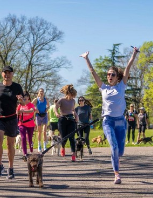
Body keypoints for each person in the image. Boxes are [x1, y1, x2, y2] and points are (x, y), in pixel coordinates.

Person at [80, 47, 139, 184]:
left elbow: (128, 68)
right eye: (108, 74)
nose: (109, 76)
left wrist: (134, 54)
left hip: (121, 122)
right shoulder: (103, 88)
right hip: (108, 122)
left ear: (117, 77)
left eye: (112, 74)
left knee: (120, 152)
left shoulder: (121, 86)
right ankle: (117, 174)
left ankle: (116, 161)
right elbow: (93, 72)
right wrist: (86, 58)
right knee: (114, 147)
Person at [0, 65, 24, 179]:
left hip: (11, 118)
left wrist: (21, 101)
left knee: (10, 144)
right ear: (2, 74)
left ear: (12, 74)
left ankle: (10, 168)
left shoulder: (17, 87)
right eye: (4, 73)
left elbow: (24, 103)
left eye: (9, 73)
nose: (7, 75)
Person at [54, 84, 78, 162]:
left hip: (71, 120)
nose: (72, 97)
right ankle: (63, 147)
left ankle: (73, 154)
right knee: (64, 137)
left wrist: (76, 116)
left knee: (71, 137)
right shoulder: (61, 100)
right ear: (68, 93)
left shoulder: (73, 101)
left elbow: (73, 110)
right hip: (62, 119)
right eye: (72, 95)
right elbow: (55, 107)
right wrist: (57, 113)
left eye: (73, 95)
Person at [17, 91, 35, 159]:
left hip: (30, 124)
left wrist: (24, 111)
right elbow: (17, 113)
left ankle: (31, 151)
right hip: (22, 123)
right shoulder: (20, 105)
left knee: (30, 139)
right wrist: (18, 112)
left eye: (25, 98)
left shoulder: (31, 104)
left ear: (28, 98)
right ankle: (25, 154)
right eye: (23, 98)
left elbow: (32, 110)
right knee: (23, 138)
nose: (24, 99)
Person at [32, 88, 50, 152]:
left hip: (44, 115)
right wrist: (35, 109)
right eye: (40, 91)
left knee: (44, 131)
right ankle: (39, 146)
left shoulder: (46, 99)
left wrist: (47, 109)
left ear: (44, 92)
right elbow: (31, 105)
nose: (41, 92)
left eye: (42, 91)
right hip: (38, 116)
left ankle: (44, 145)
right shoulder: (36, 99)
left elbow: (48, 106)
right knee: (39, 132)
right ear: (38, 92)